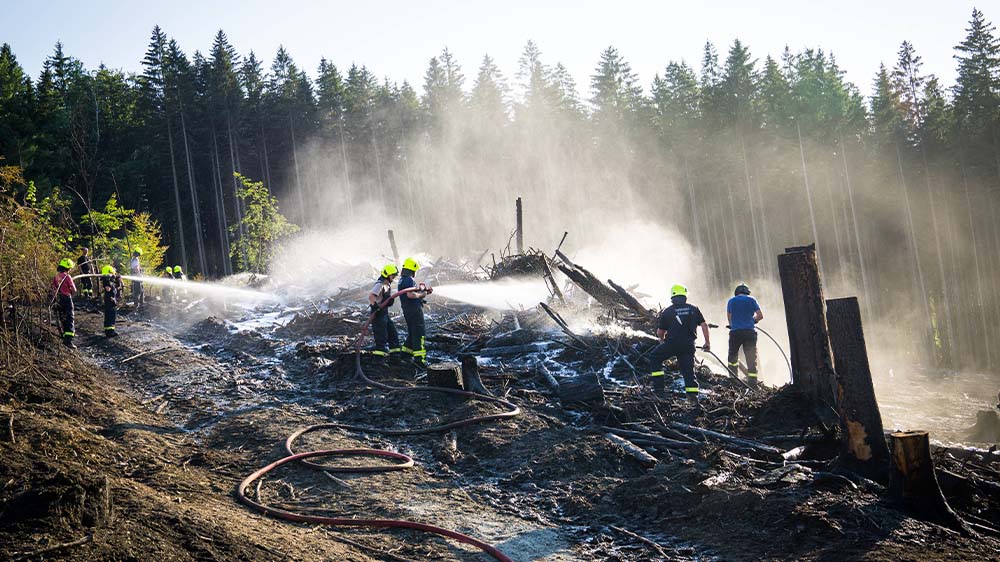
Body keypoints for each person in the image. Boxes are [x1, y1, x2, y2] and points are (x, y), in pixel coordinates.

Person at [645, 284, 710, 404]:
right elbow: (704, 325)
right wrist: (707, 342)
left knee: (654, 357)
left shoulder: (668, 311)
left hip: (672, 344)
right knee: (688, 371)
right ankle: (692, 398)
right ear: (685, 296)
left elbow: (660, 332)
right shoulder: (693, 308)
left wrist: (662, 341)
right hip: (689, 345)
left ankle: (659, 390)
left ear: (673, 297)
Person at [397, 257, 433, 367]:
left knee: (413, 333)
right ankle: (420, 360)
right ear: (412, 269)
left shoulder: (403, 279)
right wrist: (422, 295)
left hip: (408, 310)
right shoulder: (408, 280)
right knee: (419, 334)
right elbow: (410, 295)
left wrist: (423, 291)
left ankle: (405, 354)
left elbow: (412, 292)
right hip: (414, 310)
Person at [727, 282, 764, 387]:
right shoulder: (752, 300)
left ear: (736, 292)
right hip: (750, 332)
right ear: (747, 292)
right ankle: (753, 383)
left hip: (736, 333)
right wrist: (753, 321)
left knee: (733, 356)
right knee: (751, 358)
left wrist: (732, 325)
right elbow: (760, 316)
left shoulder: (731, 301)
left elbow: (729, 317)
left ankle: (733, 379)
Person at [368, 264, 403, 363]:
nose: (394, 278)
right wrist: (375, 306)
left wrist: (389, 301)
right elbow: (371, 296)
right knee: (381, 337)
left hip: (384, 314)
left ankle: (395, 357)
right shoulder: (380, 284)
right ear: (387, 275)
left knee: (393, 333)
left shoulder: (386, 284)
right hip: (378, 315)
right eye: (393, 276)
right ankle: (379, 361)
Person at [51, 258, 77, 348]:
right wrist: (71, 294)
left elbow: (53, 289)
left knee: (62, 317)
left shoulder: (56, 277)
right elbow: (74, 290)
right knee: (69, 317)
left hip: (59, 299)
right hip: (67, 299)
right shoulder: (67, 277)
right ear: (68, 268)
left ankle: (64, 335)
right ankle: (68, 340)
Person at [101, 265, 121, 338]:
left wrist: (118, 280)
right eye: (112, 273)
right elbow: (108, 289)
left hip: (111, 301)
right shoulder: (106, 281)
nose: (113, 274)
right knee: (110, 315)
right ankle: (110, 331)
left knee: (111, 315)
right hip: (110, 301)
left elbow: (116, 288)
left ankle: (109, 330)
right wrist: (112, 280)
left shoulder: (108, 280)